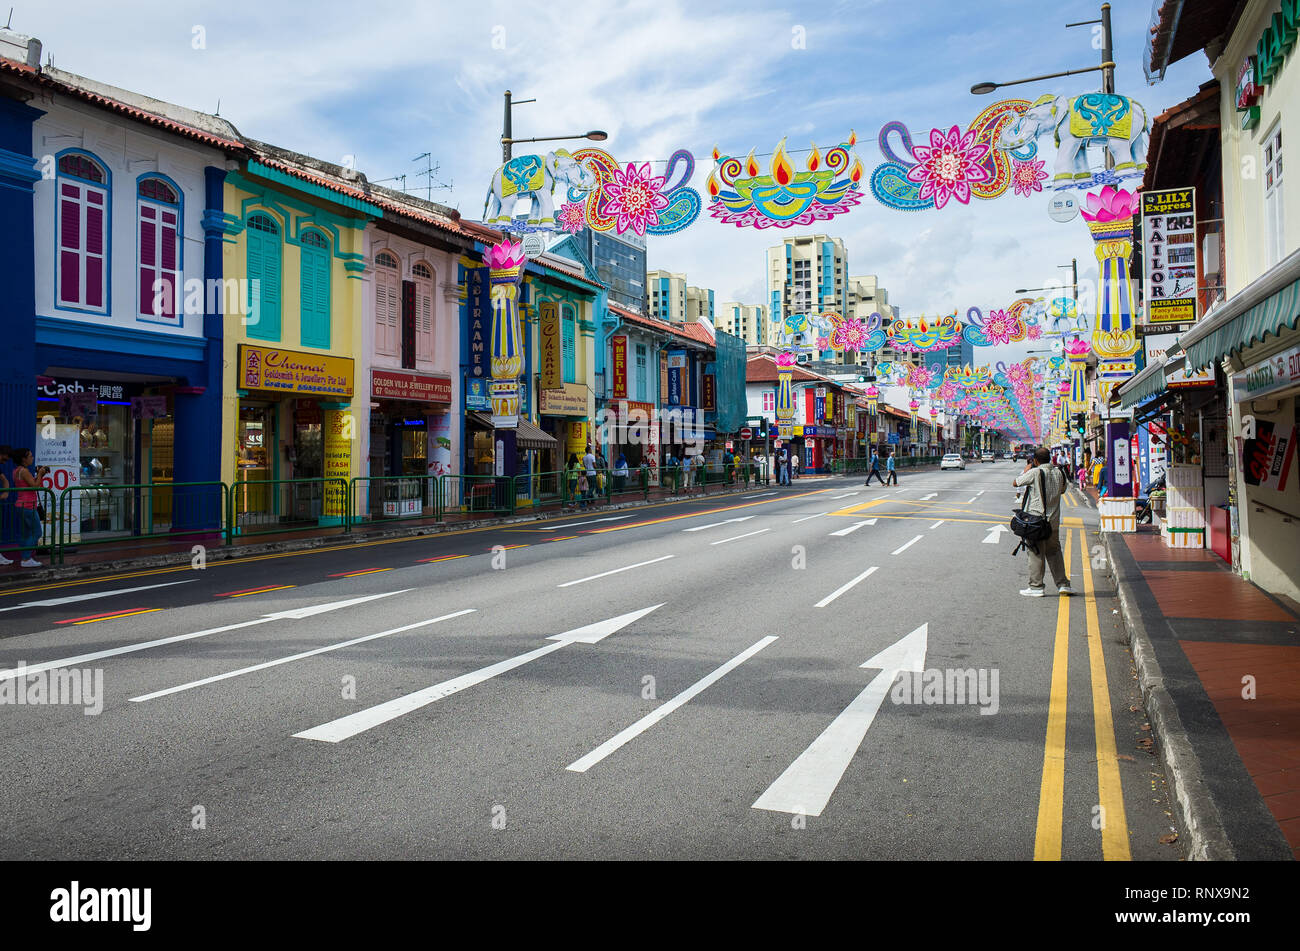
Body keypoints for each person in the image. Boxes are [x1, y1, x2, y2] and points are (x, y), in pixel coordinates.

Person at [1014, 447, 1072, 597]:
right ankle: (1063, 585)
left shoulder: (1035, 472)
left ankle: (1036, 586)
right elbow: (1063, 490)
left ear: (1035, 460)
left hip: (1037, 522)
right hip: (1053, 521)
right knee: (1054, 551)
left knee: (1035, 552)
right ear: (1051, 459)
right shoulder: (1060, 473)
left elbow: (1016, 483)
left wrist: (1027, 469)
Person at [9, 449, 46, 568]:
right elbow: (35, 486)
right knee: (37, 532)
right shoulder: (24, 471)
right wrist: (40, 474)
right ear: (23, 459)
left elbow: (29, 484)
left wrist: (40, 475)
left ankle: (25, 558)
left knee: (26, 533)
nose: (32, 458)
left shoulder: (16, 471)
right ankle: (26, 559)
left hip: (21, 504)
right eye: (30, 456)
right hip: (28, 505)